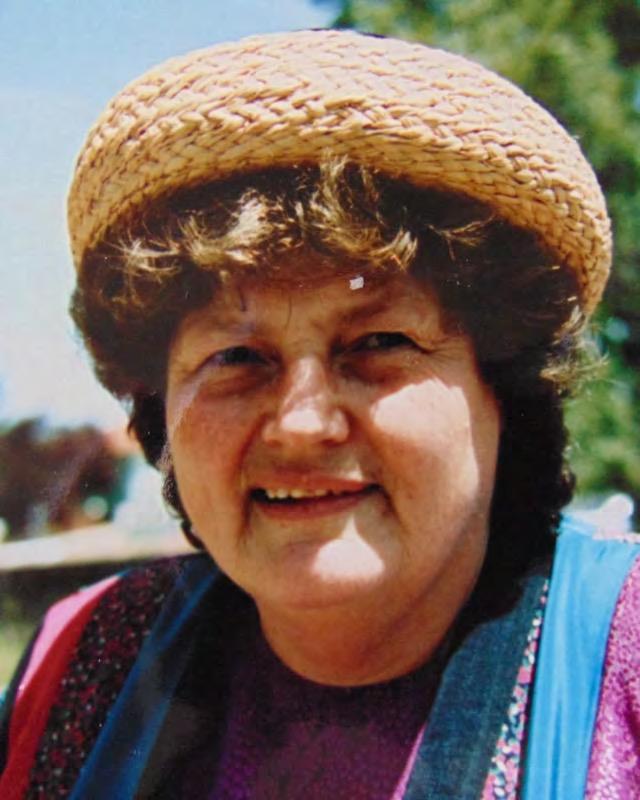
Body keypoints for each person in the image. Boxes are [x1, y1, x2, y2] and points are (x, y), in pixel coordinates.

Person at [0, 28, 638, 800]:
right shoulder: (81, 660)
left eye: (379, 343)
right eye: (236, 357)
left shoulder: (625, 654)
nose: (301, 425)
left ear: (503, 389)